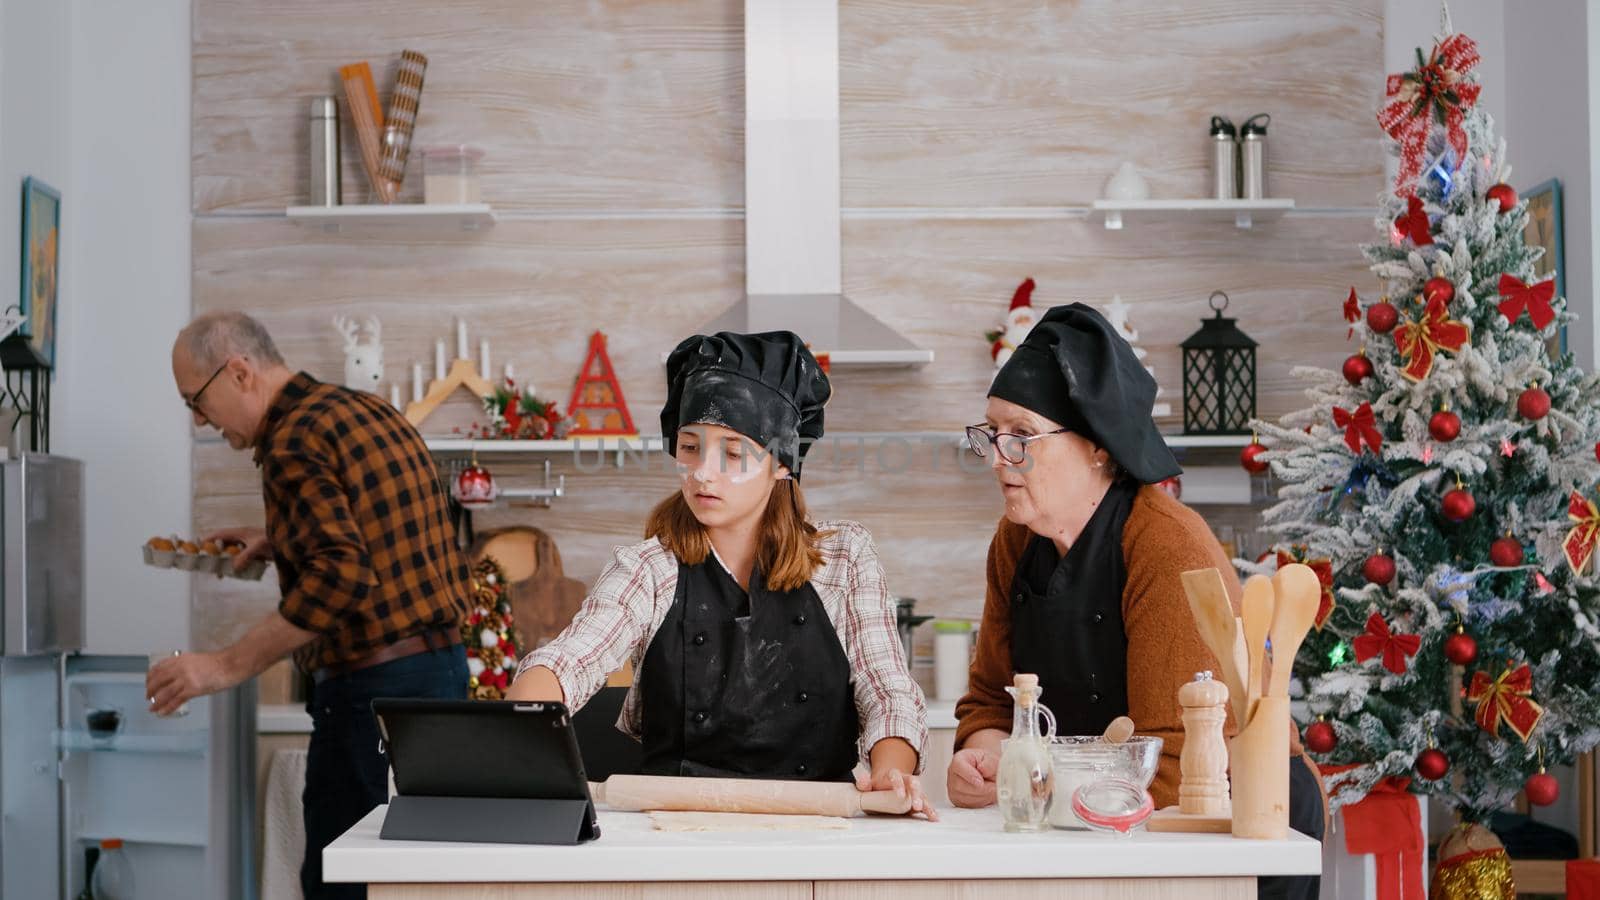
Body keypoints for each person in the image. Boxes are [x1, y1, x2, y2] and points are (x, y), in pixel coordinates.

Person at [947, 304, 1322, 899]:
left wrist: (1038, 785)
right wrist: (986, 758)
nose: (997, 457)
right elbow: (993, 700)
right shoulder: (1015, 539)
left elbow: (1172, 767)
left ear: (1098, 447)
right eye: (991, 434)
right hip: (1103, 827)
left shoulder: (1164, 546)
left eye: (1020, 436)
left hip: (1233, 830)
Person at [509, 331, 933, 816]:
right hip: (675, 830)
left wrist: (891, 770)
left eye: (732, 453)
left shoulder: (843, 558)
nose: (703, 474)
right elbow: (570, 660)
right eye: (690, 448)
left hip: (817, 826)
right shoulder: (649, 567)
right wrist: (525, 725)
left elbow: (887, 688)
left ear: (782, 464)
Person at [148, 312, 470, 900]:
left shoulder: (292, 439)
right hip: (442, 672)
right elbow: (384, 534)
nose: (198, 419)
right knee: (424, 880)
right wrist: (282, 539)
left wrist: (222, 665)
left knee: (339, 883)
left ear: (239, 372)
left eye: (196, 400)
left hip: (372, 688)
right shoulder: (364, 410)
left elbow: (340, 577)